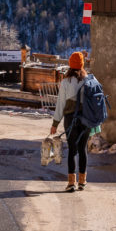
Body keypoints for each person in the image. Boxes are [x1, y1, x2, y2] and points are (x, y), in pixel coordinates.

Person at [49, 51, 89, 192]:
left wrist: (55, 124)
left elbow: (60, 104)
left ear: (70, 65)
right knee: (83, 150)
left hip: (71, 119)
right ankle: (82, 182)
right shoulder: (88, 80)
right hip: (86, 120)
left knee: (72, 150)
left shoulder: (66, 82)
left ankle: (71, 183)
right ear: (82, 65)